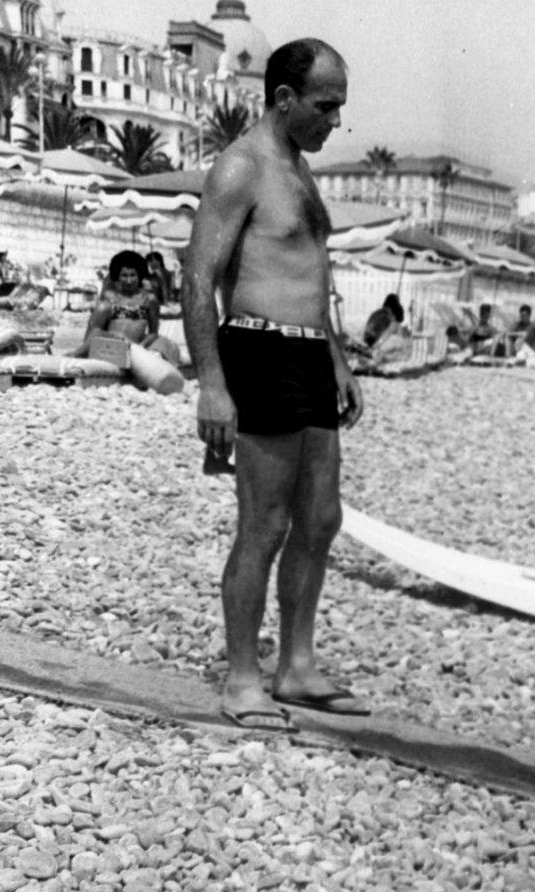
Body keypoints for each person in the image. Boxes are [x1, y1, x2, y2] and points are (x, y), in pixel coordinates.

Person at [183, 38, 367, 728]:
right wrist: (212, 384)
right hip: (257, 351)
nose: (336, 122)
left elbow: (313, 278)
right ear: (285, 99)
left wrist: (339, 359)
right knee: (264, 524)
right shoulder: (242, 168)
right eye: (326, 106)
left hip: (311, 356)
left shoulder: (299, 168)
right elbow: (198, 277)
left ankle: (295, 667)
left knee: (320, 521)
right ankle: (240, 678)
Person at [76, 250, 182, 365]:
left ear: (139, 275)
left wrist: (140, 347)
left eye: (133, 275)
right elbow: (93, 333)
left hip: (135, 345)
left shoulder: (149, 300)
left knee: (163, 345)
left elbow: (153, 333)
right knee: (102, 310)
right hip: (110, 345)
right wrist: (115, 336)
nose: (129, 280)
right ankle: (79, 355)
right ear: (118, 276)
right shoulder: (110, 298)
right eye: (124, 276)